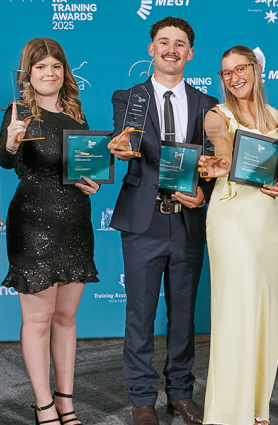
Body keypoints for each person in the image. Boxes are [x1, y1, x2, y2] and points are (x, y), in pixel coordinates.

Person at [107, 16, 218, 425]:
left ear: (190, 53)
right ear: (151, 49)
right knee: (139, 314)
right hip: (144, 221)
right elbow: (123, 140)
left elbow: (212, 162)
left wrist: (203, 190)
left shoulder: (209, 105)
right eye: (163, 41)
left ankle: (180, 394)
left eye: (180, 43)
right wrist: (119, 149)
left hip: (188, 220)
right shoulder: (129, 97)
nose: (171, 49)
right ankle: (141, 399)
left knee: (184, 313)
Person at [0, 37, 99, 425]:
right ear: (28, 73)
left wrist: (91, 183)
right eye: (41, 66)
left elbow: (83, 168)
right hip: (33, 223)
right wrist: (10, 140)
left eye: (56, 66)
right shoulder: (18, 111)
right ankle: (43, 405)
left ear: (64, 72)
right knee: (38, 320)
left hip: (76, 221)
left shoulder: (76, 114)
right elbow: (5, 162)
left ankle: (65, 401)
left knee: (66, 319)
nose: (49, 73)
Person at [198, 45, 278, 425]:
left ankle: (257, 408)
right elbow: (222, 156)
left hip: (267, 217)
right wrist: (216, 165)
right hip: (232, 216)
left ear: (256, 69)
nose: (234, 77)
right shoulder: (216, 116)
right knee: (236, 311)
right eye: (226, 72)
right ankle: (227, 413)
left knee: (267, 310)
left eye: (240, 68)